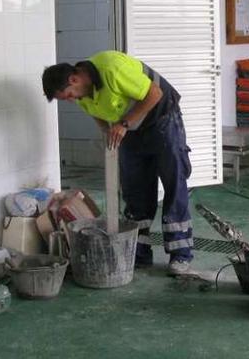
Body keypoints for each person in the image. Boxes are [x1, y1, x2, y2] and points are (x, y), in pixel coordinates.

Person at [42, 51, 195, 276]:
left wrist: (124, 123)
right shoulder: (82, 94)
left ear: (74, 79)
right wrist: (108, 132)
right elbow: (97, 113)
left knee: (174, 185)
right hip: (131, 130)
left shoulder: (112, 68)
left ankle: (180, 255)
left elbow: (155, 93)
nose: (69, 100)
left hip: (162, 121)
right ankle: (138, 253)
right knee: (135, 191)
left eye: (66, 94)